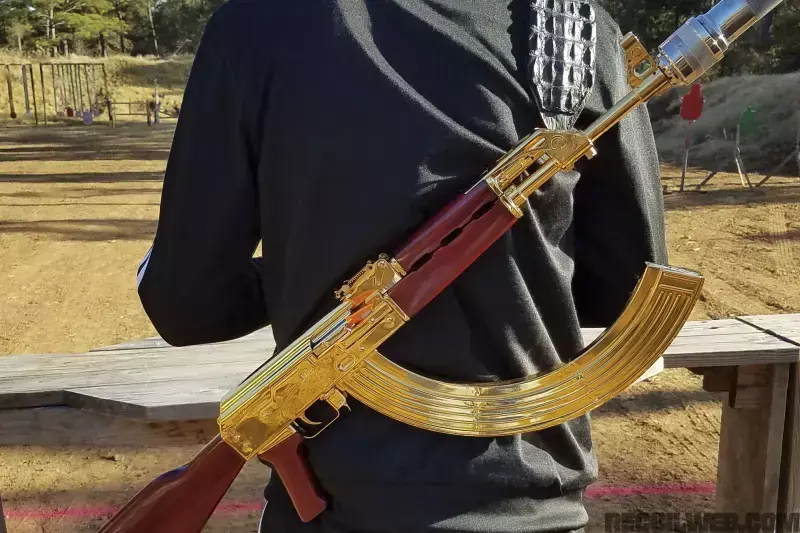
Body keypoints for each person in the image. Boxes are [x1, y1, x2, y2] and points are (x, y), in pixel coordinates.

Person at [136, 1, 666, 532]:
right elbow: (624, 288)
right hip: (534, 502)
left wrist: (304, 273)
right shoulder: (574, 31)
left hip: (342, 511)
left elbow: (187, 306)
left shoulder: (258, 23)